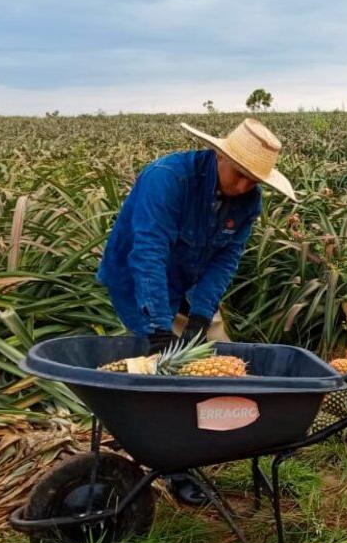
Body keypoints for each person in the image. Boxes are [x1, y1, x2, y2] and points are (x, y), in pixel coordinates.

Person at [97, 118, 296, 504]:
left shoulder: (248, 199)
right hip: (139, 283)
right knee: (159, 376)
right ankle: (174, 467)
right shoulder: (167, 178)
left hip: (192, 281)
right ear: (220, 154)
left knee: (221, 362)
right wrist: (158, 326)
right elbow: (148, 252)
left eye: (254, 181)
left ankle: (213, 443)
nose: (244, 187)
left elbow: (227, 258)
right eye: (240, 175)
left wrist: (202, 314)